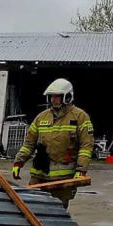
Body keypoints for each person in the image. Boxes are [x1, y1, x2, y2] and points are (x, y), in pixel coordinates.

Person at [11, 78, 94, 208]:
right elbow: (29, 143)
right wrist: (18, 162)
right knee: (32, 208)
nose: (53, 100)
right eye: (51, 96)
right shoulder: (41, 117)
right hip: (39, 175)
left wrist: (81, 169)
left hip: (63, 179)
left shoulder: (80, 117)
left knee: (57, 211)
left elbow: (86, 146)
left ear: (67, 97)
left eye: (57, 96)